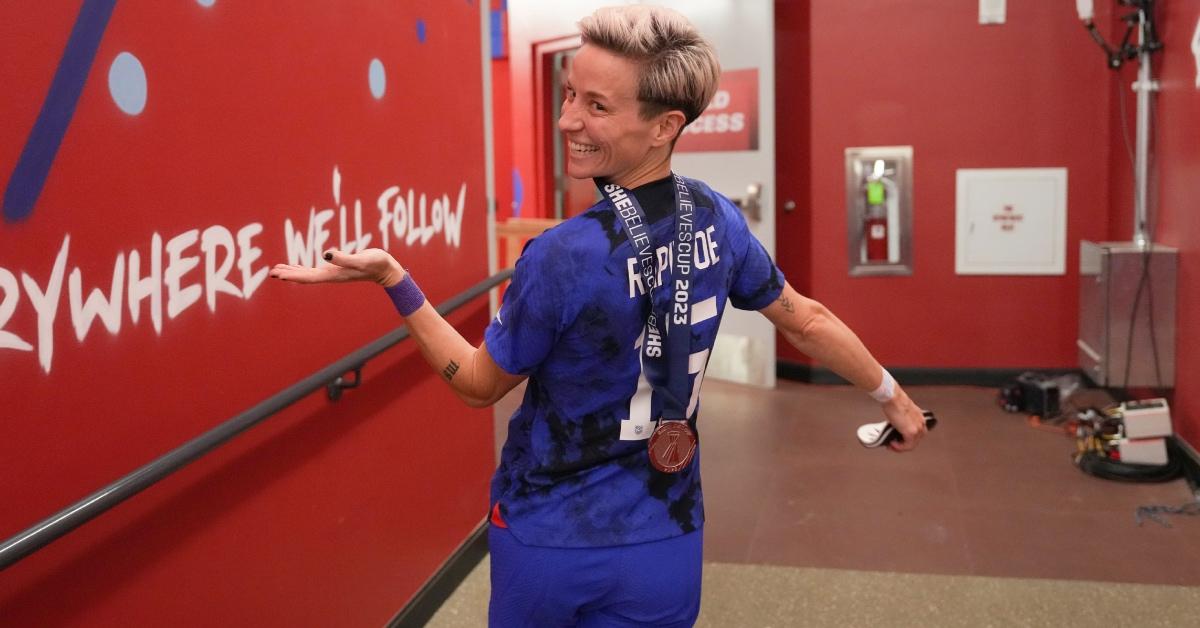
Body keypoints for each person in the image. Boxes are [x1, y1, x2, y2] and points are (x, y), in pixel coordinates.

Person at [270, 5, 927, 627]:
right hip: (666, 539)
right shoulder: (720, 220)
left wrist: (395, 281)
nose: (567, 121)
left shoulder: (561, 256)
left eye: (596, 105)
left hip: (549, 541)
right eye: (568, 94)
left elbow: (476, 383)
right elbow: (805, 320)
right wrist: (892, 398)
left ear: (665, 125)